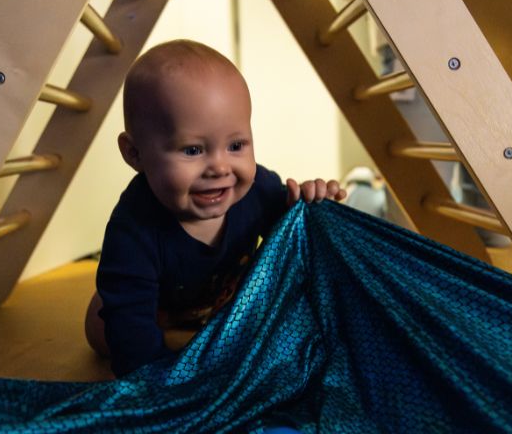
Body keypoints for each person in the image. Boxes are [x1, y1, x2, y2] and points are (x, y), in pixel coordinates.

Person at [84, 39, 345, 377]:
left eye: (236, 145)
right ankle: (118, 308)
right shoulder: (133, 229)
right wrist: (157, 383)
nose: (220, 167)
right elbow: (133, 347)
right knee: (103, 334)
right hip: (154, 306)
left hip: (222, 304)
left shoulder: (259, 191)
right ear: (135, 154)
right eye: (193, 150)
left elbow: (298, 238)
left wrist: (311, 202)